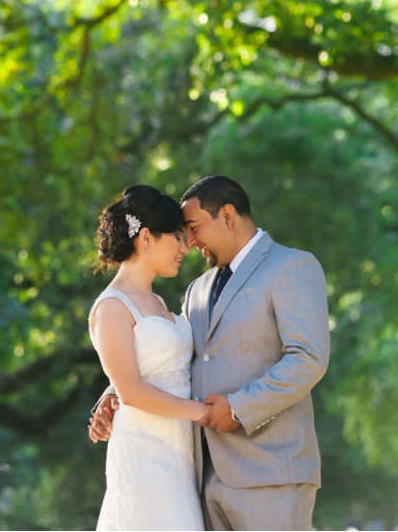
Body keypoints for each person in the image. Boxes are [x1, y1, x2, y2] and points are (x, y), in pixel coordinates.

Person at [90, 174, 330, 532]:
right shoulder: (196, 290)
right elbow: (171, 357)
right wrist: (115, 392)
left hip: (270, 474)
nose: (189, 242)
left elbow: (308, 359)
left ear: (228, 216)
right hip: (199, 479)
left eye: (193, 227)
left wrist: (238, 409)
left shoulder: (291, 266)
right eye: (180, 233)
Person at [88, 184, 207, 531]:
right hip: (145, 456)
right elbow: (132, 391)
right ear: (146, 239)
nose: (185, 248)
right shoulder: (112, 307)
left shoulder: (157, 303)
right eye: (176, 237)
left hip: (180, 457)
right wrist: (206, 413)